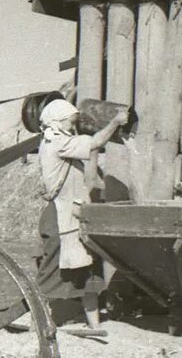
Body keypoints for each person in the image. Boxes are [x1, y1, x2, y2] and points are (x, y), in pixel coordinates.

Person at [36, 99, 129, 330]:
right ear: (57, 121)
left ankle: (95, 325)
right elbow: (96, 142)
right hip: (60, 215)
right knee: (52, 272)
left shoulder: (60, 139)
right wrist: (116, 121)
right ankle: (36, 324)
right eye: (69, 121)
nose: (72, 124)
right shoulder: (56, 142)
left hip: (74, 212)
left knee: (88, 271)